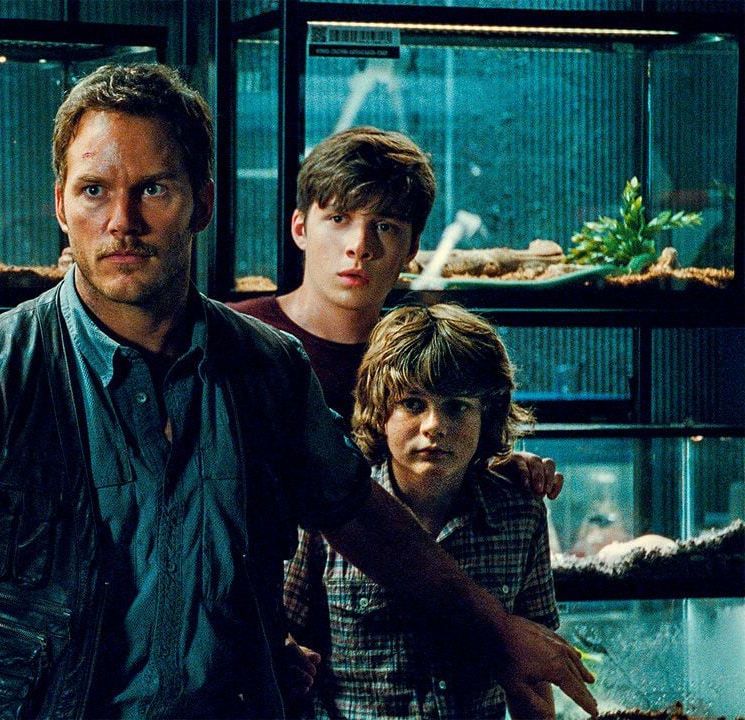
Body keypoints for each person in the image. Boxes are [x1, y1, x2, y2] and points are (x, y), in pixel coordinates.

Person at [0, 64, 595, 719]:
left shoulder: (267, 371)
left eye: (153, 189)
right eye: (94, 190)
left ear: (202, 200)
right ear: (60, 205)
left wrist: (496, 628)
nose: (122, 220)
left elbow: (359, 515)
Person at [228, 127, 562, 655]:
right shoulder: (237, 341)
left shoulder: (416, 357)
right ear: (300, 227)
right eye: (339, 218)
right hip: (252, 634)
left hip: (391, 652)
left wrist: (492, 465)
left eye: (385, 225)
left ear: (412, 247)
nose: (359, 246)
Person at [316, 303, 558, 719]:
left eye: (457, 406)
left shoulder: (520, 516)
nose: (434, 425)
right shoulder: (333, 506)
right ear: (381, 411)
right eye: (413, 404)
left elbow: (534, 667)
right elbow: (284, 636)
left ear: (487, 414)